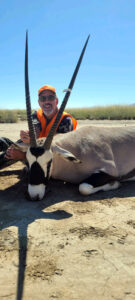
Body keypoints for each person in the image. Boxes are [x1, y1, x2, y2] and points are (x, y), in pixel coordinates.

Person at [0, 84, 77, 166]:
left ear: (56, 101)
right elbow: (35, 134)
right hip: (34, 149)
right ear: (39, 102)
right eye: (42, 98)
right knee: (3, 141)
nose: (46, 101)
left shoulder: (66, 120)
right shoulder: (35, 115)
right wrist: (27, 137)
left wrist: (22, 156)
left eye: (50, 98)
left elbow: (60, 153)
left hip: (50, 160)